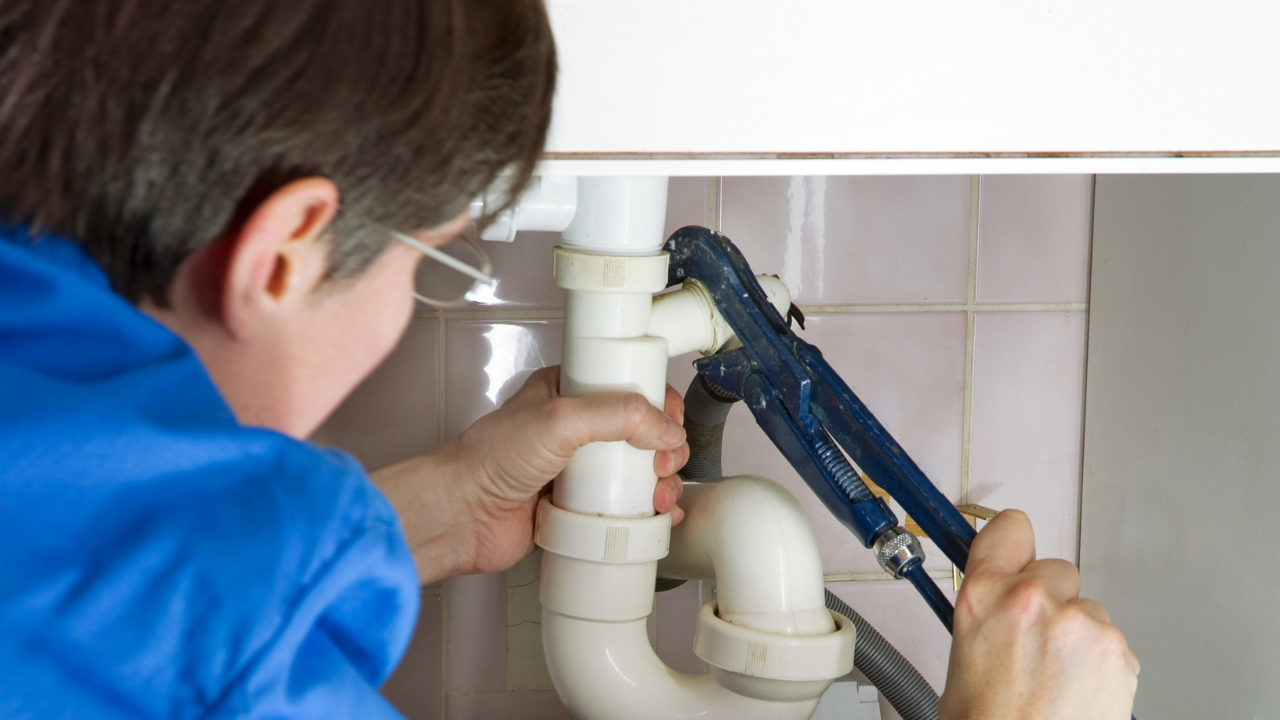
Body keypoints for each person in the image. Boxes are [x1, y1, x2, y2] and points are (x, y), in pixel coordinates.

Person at [0, 0, 1137, 718]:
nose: (404, 304)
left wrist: (428, 515)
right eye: (423, 264)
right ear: (287, 249)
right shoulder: (215, 654)